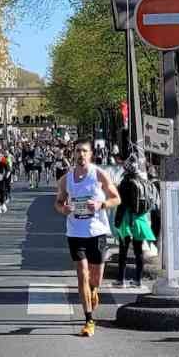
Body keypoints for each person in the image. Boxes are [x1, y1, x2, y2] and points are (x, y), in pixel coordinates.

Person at [54, 141, 120, 338]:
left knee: (95, 277)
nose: (81, 154)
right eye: (77, 151)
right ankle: (89, 320)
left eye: (84, 151)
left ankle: (94, 289)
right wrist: (62, 209)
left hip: (97, 232)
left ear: (91, 154)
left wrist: (100, 205)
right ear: (73, 154)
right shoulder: (66, 180)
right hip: (75, 232)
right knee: (82, 274)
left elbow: (116, 198)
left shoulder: (99, 175)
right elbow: (58, 202)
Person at [112, 155, 157, 287]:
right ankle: (138, 280)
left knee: (123, 250)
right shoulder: (143, 181)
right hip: (140, 219)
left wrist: (117, 220)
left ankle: (121, 280)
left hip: (127, 219)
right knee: (138, 251)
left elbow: (121, 203)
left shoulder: (125, 182)